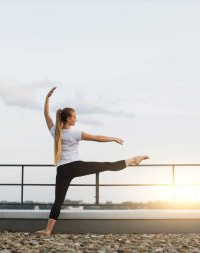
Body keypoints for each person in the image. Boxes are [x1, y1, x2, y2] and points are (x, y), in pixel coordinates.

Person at [35, 86, 149, 235]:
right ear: (68, 119)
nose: (76, 119)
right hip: (76, 166)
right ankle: (133, 160)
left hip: (62, 169)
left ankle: (48, 230)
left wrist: (47, 98)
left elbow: (46, 114)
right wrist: (113, 138)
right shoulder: (75, 133)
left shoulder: (55, 132)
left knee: (58, 201)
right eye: (74, 117)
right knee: (106, 165)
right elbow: (98, 138)